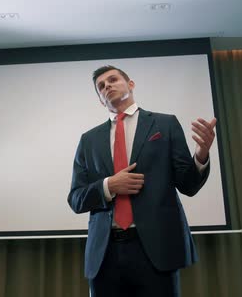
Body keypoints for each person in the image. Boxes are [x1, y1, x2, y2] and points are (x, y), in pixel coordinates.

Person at [67, 65, 218, 296]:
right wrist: (109, 186)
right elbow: (76, 199)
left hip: (157, 249)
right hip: (105, 253)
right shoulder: (88, 140)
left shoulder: (165, 124)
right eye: (101, 86)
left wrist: (200, 155)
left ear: (130, 84)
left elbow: (188, 185)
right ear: (100, 100)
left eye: (113, 79)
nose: (107, 85)